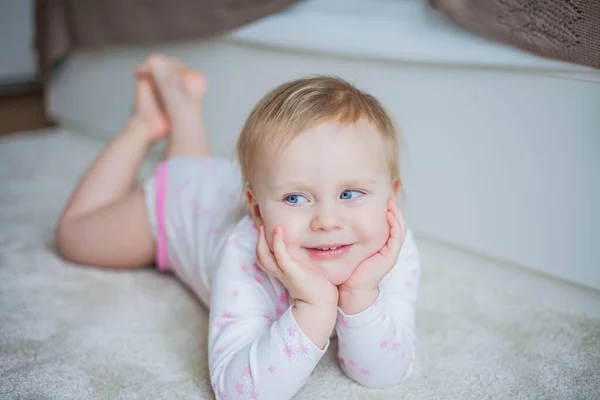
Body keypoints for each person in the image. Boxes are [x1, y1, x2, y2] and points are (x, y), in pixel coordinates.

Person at [56, 54, 421, 399]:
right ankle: (143, 126)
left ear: (392, 194)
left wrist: (360, 295)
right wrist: (314, 306)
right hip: (182, 205)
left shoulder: (392, 248)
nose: (327, 220)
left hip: (213, 184)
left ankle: (183, 106)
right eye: (295, 198)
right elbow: (238, 390)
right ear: (257, 210)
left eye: (350, 193)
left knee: (194, 167)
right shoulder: (245, 252)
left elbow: (384, 372)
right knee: (74, 237)